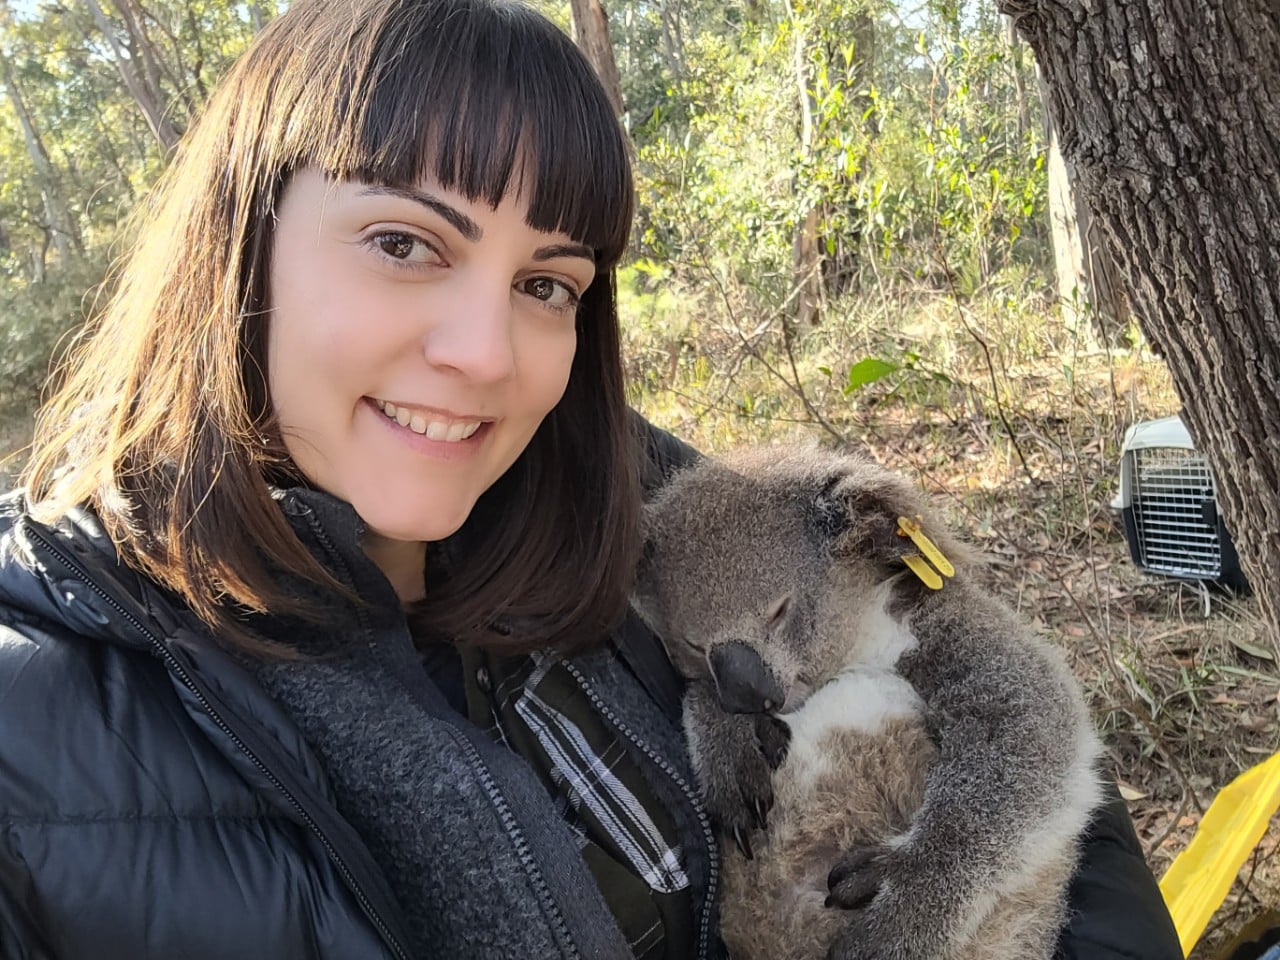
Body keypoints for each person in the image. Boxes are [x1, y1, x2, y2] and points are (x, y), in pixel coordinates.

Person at [0, 0, 1180, 957]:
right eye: (405, 244)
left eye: (546, 283)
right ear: (236, 245)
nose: (484, 354)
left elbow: (998, 695)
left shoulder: (637, 493)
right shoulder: (34, 729)